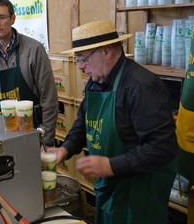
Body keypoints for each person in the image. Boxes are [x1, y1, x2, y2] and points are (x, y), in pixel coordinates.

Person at [49, 20, 177, 224]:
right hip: (110, 188)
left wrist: (111, 165)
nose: (80, 67)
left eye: (83, 59)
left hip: (139, 195)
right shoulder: (96, 81)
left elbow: (163, 148)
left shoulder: (141, 87)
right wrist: (65, 149)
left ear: (106, 51)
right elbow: (83, 120)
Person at [0, 0, 58, 146]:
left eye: (1, 17)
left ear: (13, 19)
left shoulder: (34, 49)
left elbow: (49, 99)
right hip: (0, 138)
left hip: (33, 136)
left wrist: (46, 140)